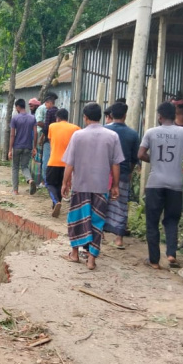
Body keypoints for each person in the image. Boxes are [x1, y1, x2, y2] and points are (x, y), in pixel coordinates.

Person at [139, 102, 183, 269]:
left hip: (155, 183)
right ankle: (171, 254)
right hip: (175, 184)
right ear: (174, 116)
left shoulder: (151, 132)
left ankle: (154, 260)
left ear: (160, 117)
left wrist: (153, 160)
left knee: (152, 221)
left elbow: (140, 154)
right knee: (171, 220)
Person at [62, 103, 123, 270]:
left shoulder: (78, 136)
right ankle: (91, 260)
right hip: (101, 186)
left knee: (76, 219)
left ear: (85, 117)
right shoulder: (112, 136)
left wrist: (65, 182)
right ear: (100, 117)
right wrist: (115, 185)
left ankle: (74, 254)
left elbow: (70, 163)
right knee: (97, 222)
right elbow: (116, 164)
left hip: (80, 185)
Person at [103, 102, 140, 249]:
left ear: (110, 115)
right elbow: (134, 157)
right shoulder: (132, 134)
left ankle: (101, 234)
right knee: (121, 205)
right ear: (125, 115)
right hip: (123, 173)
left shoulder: (104, 130)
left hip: (104, 174)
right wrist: (129, 172)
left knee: (102, 203)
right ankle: (119, 239)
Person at [46, 108, 80, 217]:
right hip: (68, 164)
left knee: (50, 183)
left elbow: (51, 143)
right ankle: (55, 205)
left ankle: (56, 202)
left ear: (58, 118)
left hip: (54, 161)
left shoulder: (52, 126)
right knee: (61, 184)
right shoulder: (76, 128)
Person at [9, 99, 37, 195]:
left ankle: (15, 190)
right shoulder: (32, 118)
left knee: (15, 167)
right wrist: (34, 147)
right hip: (28, 146)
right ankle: (30, 180)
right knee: (24, 166)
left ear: (17, 107)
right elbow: (35, 133)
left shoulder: (15, 119)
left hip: (17, 146)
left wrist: (10, 150)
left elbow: (12, 135)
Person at [39, 93, 59, 177]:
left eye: (46, 103)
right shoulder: (59, 111)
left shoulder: (49, 112)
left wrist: (41, 137)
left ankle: (45, 180)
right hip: (57, 139)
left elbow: (46, 127)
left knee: (46, 160)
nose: (46, 105)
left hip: (48, 139)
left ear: (50, 103)